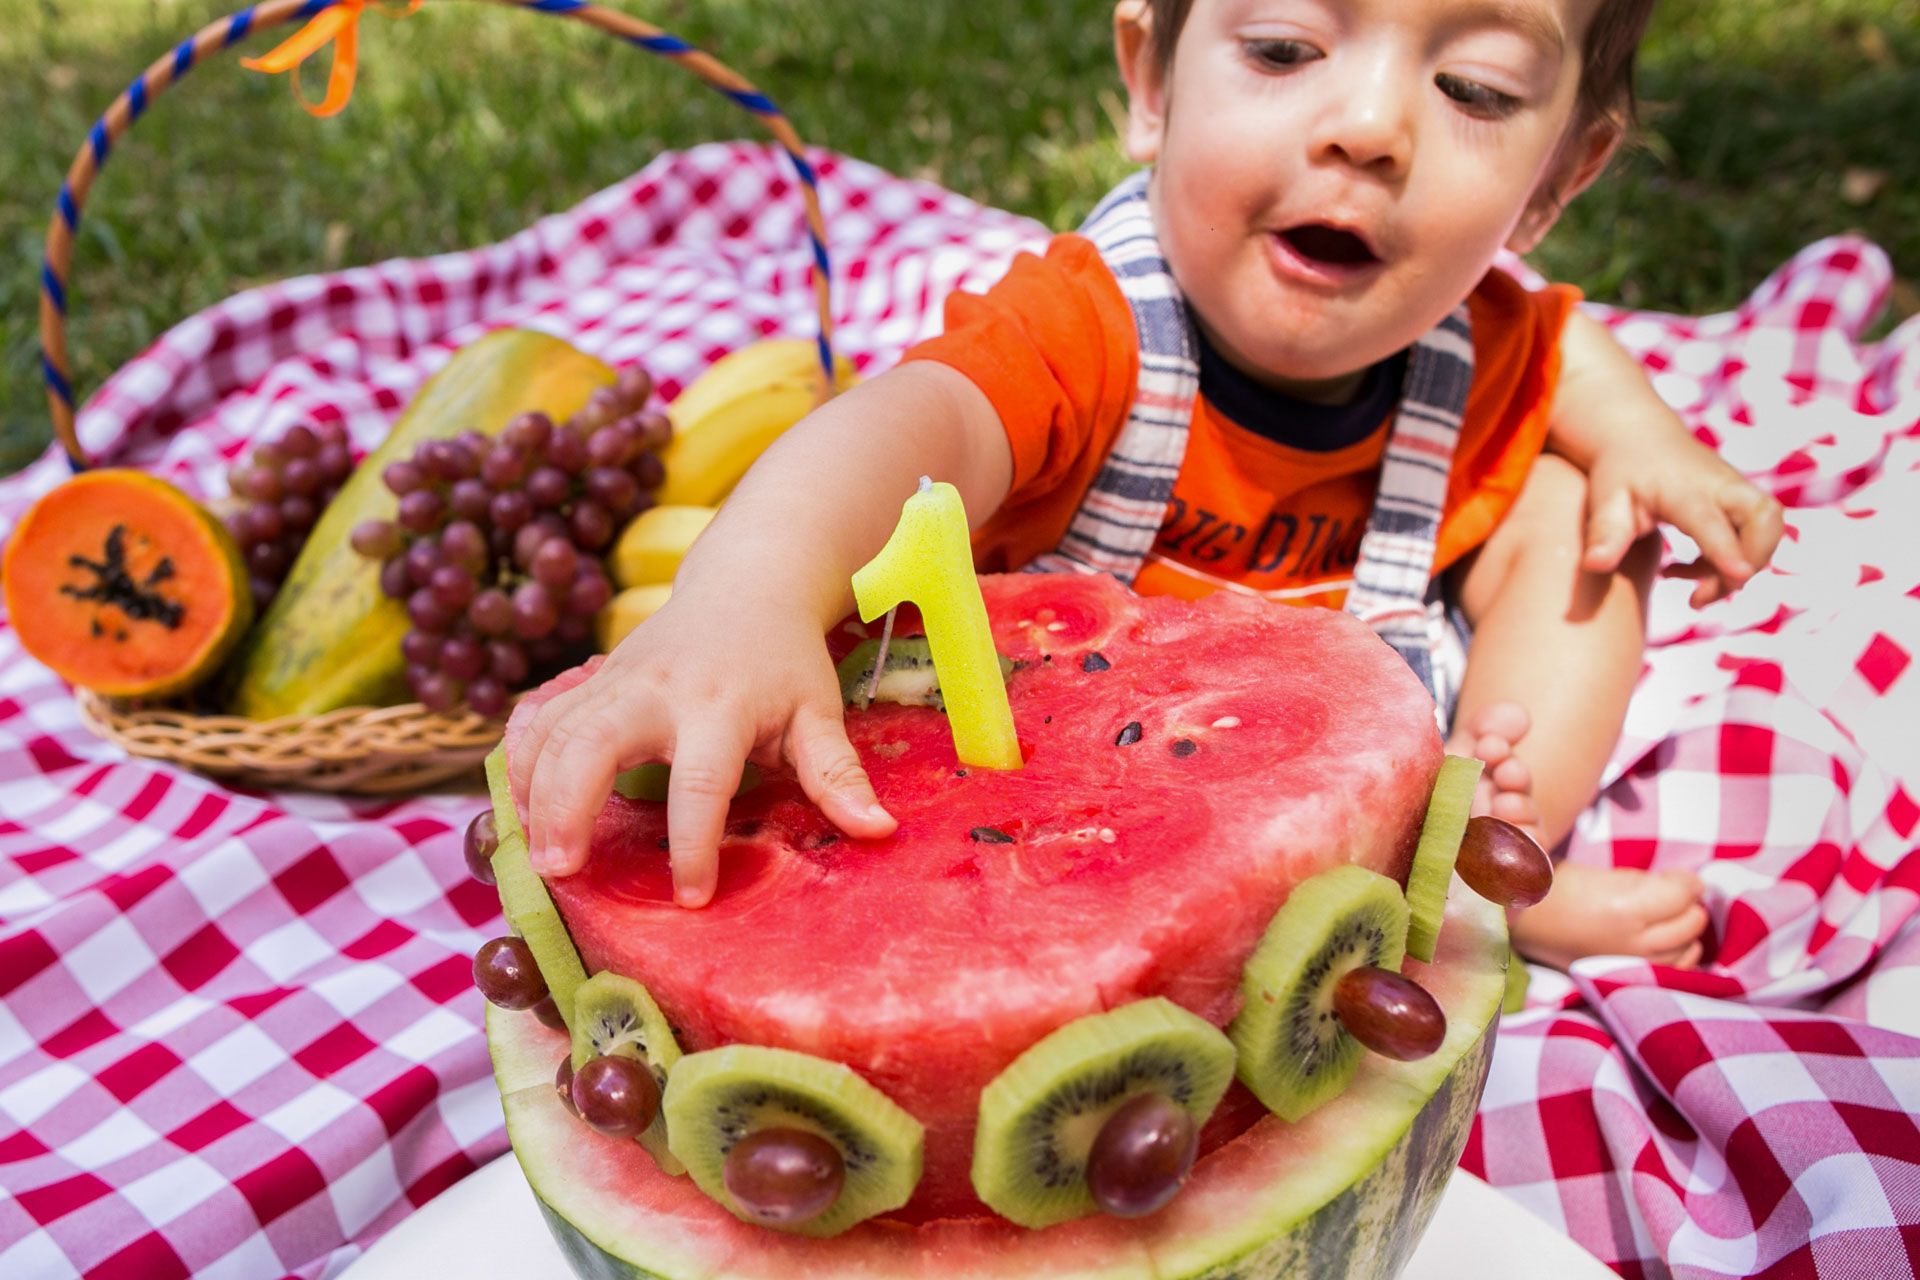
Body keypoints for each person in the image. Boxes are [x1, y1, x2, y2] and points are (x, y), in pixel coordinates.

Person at [510, 0, 1783, 970]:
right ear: (1152, 80)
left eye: (1475, 87)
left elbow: (1560, 341)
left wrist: (1644, 443)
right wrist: (747, 595)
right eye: (1286, 50)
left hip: (1379, 752)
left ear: (1560, 176)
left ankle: (1489, 854)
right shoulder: (1088, 327)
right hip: (1067, 786)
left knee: (1584, 519)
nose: (1370, 129)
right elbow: (915, 423)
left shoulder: (1475, 329)